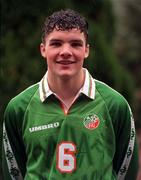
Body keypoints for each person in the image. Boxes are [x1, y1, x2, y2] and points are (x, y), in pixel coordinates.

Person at [2, 9, 139, 180]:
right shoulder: (19, 108)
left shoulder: (115, 104)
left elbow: (126, 171)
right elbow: (14, 173)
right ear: (43, 49)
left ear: (86, 50)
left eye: (75, 44)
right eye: (56, 43)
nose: (66, 51)